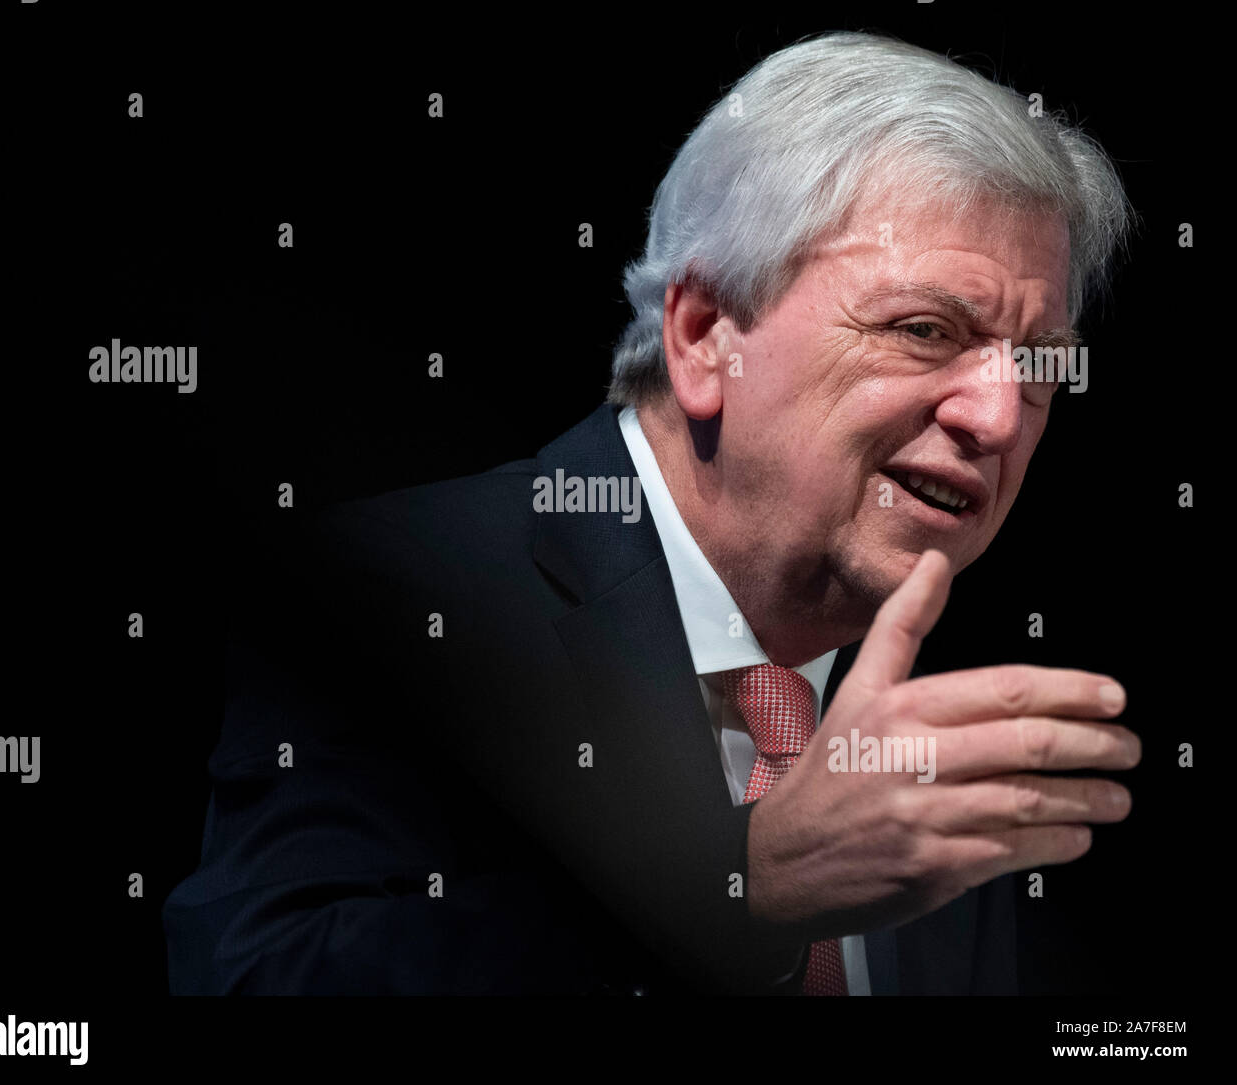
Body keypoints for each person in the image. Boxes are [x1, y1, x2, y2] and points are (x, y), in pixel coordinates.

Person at [163, 30, 1139, 995]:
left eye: (1040, 362)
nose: (998, 416)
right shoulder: (400, 597)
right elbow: (255, 976)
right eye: (926, 330)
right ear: (705, 335)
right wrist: (746, 886)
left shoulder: (955, 731)